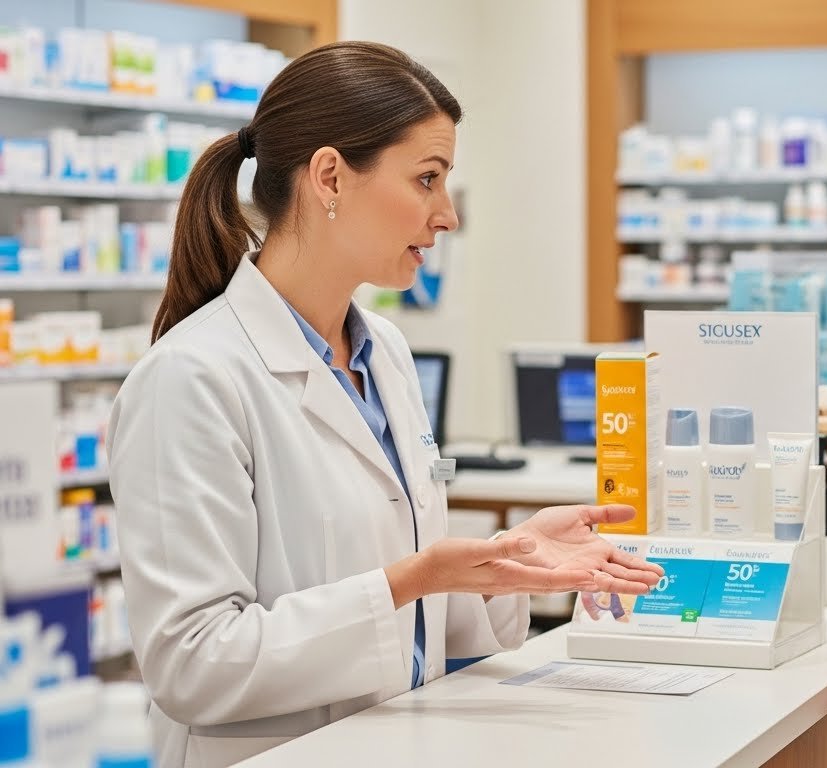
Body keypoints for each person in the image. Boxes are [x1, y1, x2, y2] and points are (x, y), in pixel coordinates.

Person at [107, 41, 663, 768]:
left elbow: (425, 629)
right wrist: (415, 578)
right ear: (330, 177)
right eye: (426, 179)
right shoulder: (191, 377)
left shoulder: (385, 353)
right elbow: (193, 666)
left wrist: (508, 562)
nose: (446, 216)